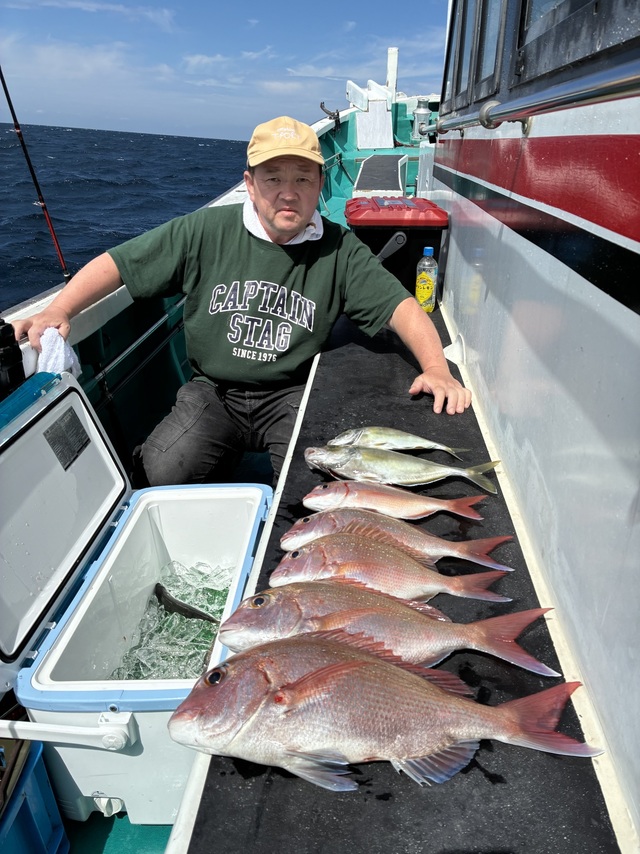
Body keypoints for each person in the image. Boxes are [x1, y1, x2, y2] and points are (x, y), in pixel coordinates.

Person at [12, 116, 471, 486]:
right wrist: (59, 309)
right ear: (250, 185)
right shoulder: (204, 231)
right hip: (214, 391)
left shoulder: (340, 248)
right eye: (273, 178)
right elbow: (118, 263)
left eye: (302, 178)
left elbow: (401, 308)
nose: (288, 192)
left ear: (320, 184)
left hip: (292, 392)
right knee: (162, 471)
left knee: (315, 483)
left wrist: (436, 368)